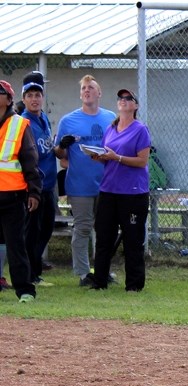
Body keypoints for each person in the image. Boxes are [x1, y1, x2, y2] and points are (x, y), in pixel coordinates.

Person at [53, 75, 116, 286]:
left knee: (105, 229)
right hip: (79, 185)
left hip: (107, 183)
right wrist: (62, 145)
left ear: (99, 93)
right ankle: (82, 273)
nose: (87, 91)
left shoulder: (110, 118)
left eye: (91, 88)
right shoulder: (68, 121)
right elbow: (60, 155)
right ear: (80, 94)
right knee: (82, 227)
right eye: (84, 89)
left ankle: (102, 271)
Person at [85, 88, 151, 291]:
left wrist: (118, 158)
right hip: (109, 190)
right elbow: (107, 155)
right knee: (104, 237)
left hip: (132, 193)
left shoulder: (140, 129)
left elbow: (142, 161)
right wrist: (99, 156)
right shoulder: (111, 128)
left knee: (132, 240)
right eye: (120, 98)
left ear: (135, 105)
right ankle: (99, 282)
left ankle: (134, 285)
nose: (123, 101)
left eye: (128, 98)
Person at [0, 80, 41, 303]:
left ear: (8, 99)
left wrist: (34, 193)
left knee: (16, 245)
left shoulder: (19, 124)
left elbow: (30, 161)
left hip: (13, 196)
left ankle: (25, 290)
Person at [20, 71, 56, 287]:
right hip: (34, 186)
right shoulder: (24, 122)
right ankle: (30, 274)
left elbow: (47, 148)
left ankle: (36, 270)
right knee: (32, 232)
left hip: (49, 184)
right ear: (24, 99)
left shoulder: (42, 118)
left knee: (46, 228)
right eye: (30, 95)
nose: (35, 99)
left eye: (38, 95)